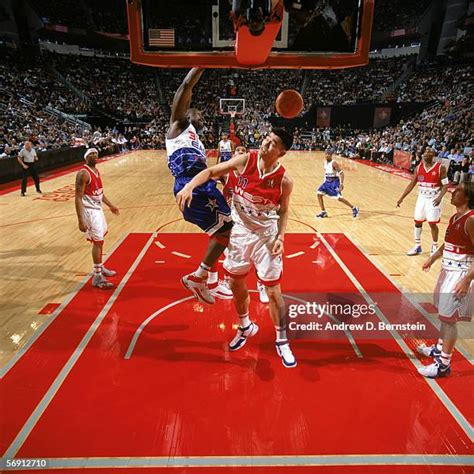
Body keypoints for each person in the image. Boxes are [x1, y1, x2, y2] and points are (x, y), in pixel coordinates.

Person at [177, 128, 297, 368]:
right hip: (240, 233)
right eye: (266, 139)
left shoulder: (284, 180)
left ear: (281, 152)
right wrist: (190, 185)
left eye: (273, 144)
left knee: (274, 292)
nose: (265, 144)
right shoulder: (245, 160)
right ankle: (245, 327)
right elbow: (211, 171)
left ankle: (282, 341)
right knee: (235, 284)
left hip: (266, 236)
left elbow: (283, 210)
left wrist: (281, 238)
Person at [166, 68, 233, 304]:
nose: (202, 117)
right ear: (188, 113)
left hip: (202, 185)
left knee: (219, 233)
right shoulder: (178, 124)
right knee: (226, 231)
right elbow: (185, 87)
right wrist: (200, 65)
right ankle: (199, 276)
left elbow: (202, 169)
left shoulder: (197, 139)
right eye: (199, 114)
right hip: (188, 186)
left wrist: (216, 178)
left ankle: (211, 282)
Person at [417, 182, 473, 378]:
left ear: (466, 197)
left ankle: (443, 364)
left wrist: (466, 281)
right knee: (444, 315)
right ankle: (439, 349)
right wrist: (432, 258)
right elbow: (447, 244)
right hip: (447, 270)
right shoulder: (456, 217)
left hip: (461, 274)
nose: (452, 192)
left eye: (458, 190)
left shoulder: (470, 220)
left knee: (450, 321)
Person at [222, 145, 269, 304]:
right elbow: (209, 176)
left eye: (243, 152)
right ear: (233, 154)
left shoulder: (254, 175)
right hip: (232, 221)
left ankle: (261, 284)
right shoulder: (226, 174)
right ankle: (228, 280)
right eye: (238, 151)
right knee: (230, 254)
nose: (241, 154)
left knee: (257, 256)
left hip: (252, 223)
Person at [75, 148, 119, 289]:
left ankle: (100, 267)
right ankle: (97, 276)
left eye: (96, 153)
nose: (95, 155)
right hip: (89, 212)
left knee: (100, 240)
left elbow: (100, 194)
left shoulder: (96, 171)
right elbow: (77, 197)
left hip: (98, 209)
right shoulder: (83, 173)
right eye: (91, 154)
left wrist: (111, 205)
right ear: (86, 157)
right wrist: (80, 220)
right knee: (98, 242)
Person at [397, 148, 449, 256]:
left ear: (433, 155)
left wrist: (439, 197)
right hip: (422, 197)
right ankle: (417, 246)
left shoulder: (440, 168)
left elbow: (446, 185)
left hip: (434, 198)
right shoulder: (418, 168)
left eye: (429, 152)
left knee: (432, 223)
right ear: (423, 155)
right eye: (425, 152)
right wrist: (402, 197)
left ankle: (434, 246)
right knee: (417, 221)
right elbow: (412, 184)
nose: (427, 153)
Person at [316, 148, 359, 219]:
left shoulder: (334, 163)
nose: (326, 155)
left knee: (339, 198)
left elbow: (341, 173)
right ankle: (323, 212)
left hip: (334, 182)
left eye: (328, 154)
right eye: (326, 154)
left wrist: (341, 184)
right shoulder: (325, 162)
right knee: (319, 194)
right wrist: (324, 182)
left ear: (331, 155)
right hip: (327, 182)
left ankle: (354, 208)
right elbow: (326, 173)